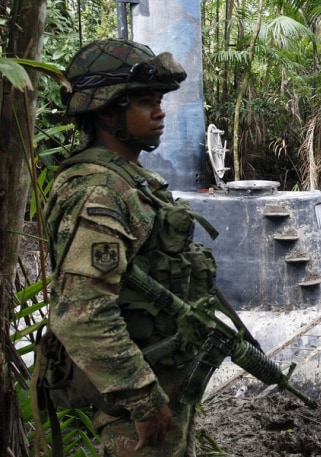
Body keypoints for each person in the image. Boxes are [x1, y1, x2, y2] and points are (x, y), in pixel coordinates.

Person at [43, 38, 213, 456]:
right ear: (105, 110)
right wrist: (142, 397)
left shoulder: (130, 180)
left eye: (158, 100)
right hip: (136, 391)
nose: (159, 111)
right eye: (144, 102)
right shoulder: (98, 191)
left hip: (161, 376)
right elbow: (82, 313)